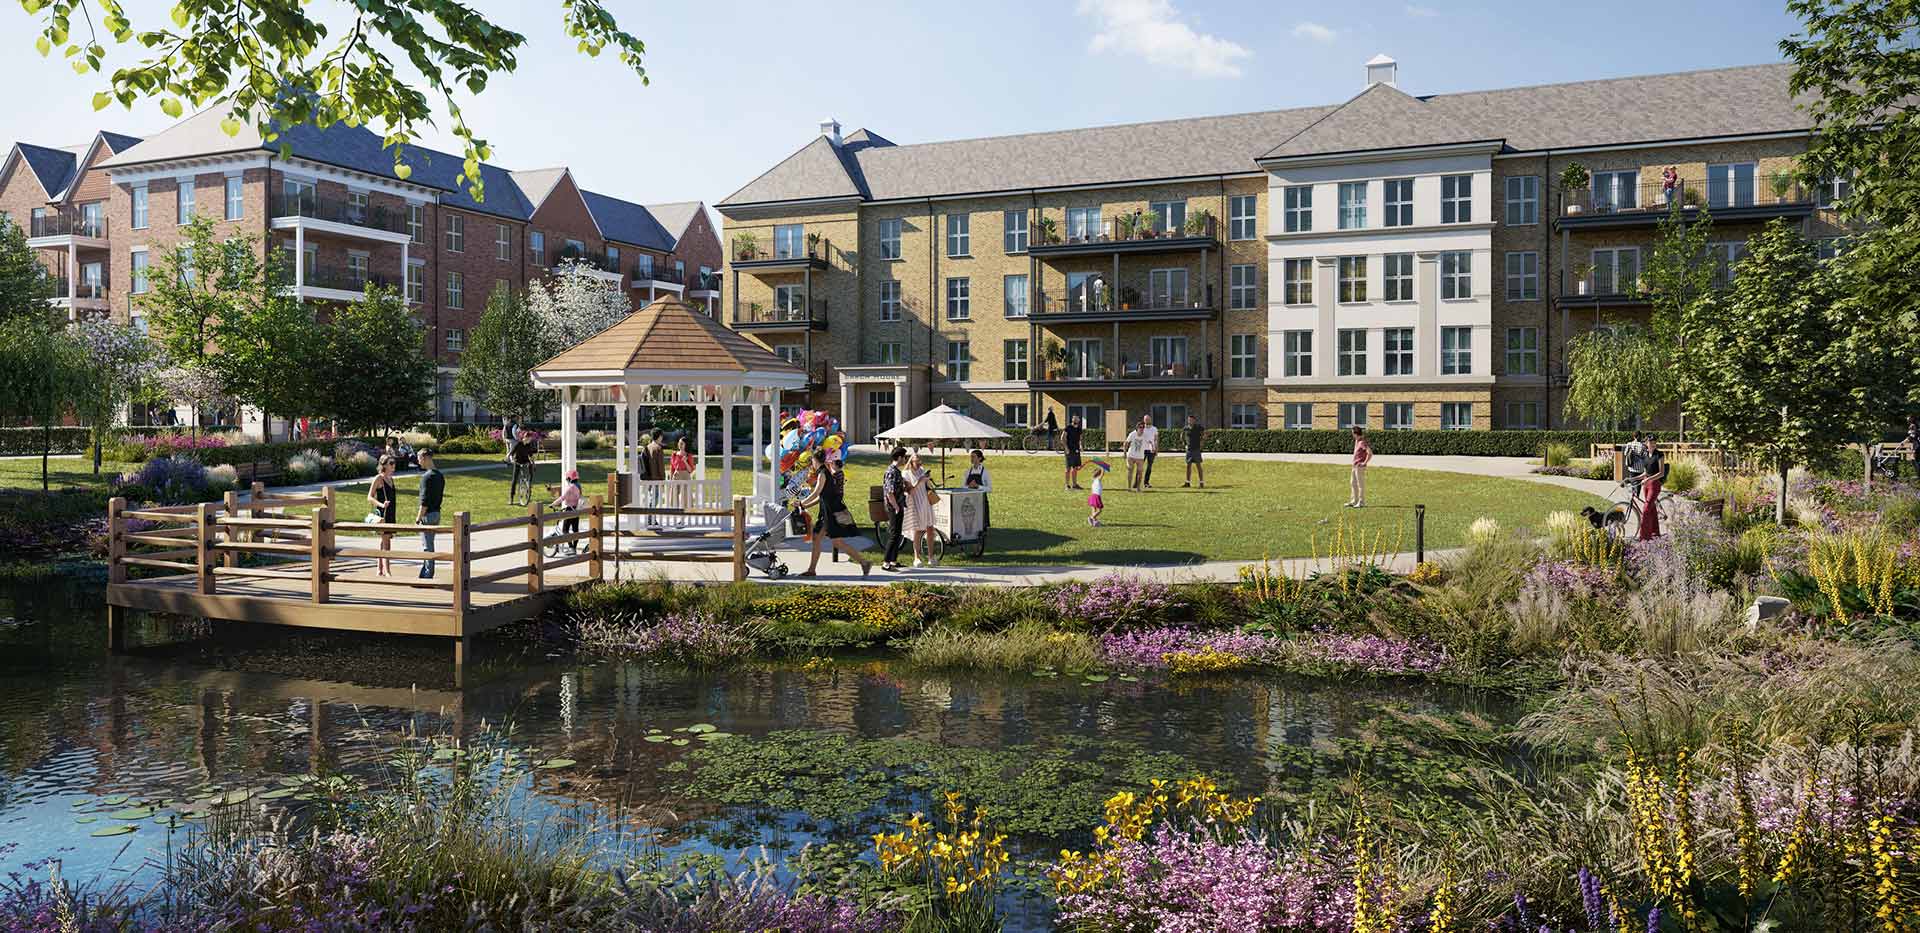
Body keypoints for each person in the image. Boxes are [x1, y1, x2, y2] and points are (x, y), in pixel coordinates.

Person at [799, 453, 874, 577]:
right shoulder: (825, 473)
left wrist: (802, 502)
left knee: (833, 541)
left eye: (811, 460)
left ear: (815, 460)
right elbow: (822, 497)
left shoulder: (823, 474)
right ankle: (812, 569)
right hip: (827, 512)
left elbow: (817, 492)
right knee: (822, 540)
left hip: (830, 513)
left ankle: (864, 562)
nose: (811, 462)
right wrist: (805, 505)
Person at [901, 452, 938, 567]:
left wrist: (928, 479)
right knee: (918, 530)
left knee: (930, 529)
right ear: (911, 462)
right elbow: (910, 490)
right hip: (915, 502)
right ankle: (916, 557)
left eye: (920, 461)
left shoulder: (922, 471)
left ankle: (931, 557)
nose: (918, 464)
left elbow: (928, 487)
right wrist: (920, 481)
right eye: (916, 461)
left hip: (926, 502)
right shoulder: (905, 474)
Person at [367, 455, 399, 576]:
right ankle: (388, 571)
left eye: (394, 463)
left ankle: (379, 569)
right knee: (387, 543)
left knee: (384, 540)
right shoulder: (379, 478)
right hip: (383, 515)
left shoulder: (391, 479)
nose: (393, 465)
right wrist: (381, 504)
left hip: (391, 513)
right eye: (391, 463)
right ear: (384, 465)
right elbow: (369, 497)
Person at [415, 450, 444, 579]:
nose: (418, 461)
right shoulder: (439, 475)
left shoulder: (427, 477)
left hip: (427, 515)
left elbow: (424, 501)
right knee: (429, 544)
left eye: (419, 458)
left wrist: (418, 517)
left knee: (427, 547)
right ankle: (424, 572)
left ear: (426, 458)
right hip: (437, 513)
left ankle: (428, 574)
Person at [881, 446, 909, 572]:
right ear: (899, 457)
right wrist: (896, 507)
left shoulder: (896, 471)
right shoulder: (891, 472)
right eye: (904, 457)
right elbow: (889, 492)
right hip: (894, 507)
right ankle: (886, 562)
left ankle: (893, 560)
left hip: (898, 505)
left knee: (898, 534)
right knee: (894, 534)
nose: (905, 460)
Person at [1638, 438, 1668, 540]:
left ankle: (1644, 537)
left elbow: (1661, 473)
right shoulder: (1645, 455)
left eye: (1654, 443)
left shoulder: (1659, 455)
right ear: (1646, 444)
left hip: (1654, 485)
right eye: (1651, 443)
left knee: (1646, 510)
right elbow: (1646, 473)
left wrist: (1648, 479)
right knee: (1652, 510)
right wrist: (1632, 478)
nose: (1653, 444)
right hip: (1646, 485)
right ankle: (1655, 534)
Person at [548, 469, 584, 556]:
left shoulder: (570, 487)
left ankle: (571, 548)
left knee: (565, 530)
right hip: (576, 510)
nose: (567, 480)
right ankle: (574, 549)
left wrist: (552, 504)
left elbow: (562, 498)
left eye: (567, 478)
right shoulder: (578, 486)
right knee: (575, 530)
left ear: (569, 478)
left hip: (569, 510)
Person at [963, 448, 991, 530]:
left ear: (979, 458)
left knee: (981, 522)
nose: (971, 459)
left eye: (973, 457)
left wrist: (978, 486)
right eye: (971, 457)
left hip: (981, 500)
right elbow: (962, 486)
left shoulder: (985, 472)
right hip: (969, 500)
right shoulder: (967, 472)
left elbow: (989, 489)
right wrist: (969, 487)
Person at [508, 430, 536, 505]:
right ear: (525, 438)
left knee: (530, 471)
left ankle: (529, 487)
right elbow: (511, 453)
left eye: (530, 440)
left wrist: (533, 463)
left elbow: (531, 455)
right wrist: (511, 459)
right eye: (529, 439)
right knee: (514, 480)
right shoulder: (519, 444)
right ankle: (511, 497)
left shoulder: (528, 446)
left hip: (525, 462)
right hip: (517, 462)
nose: (530, 441)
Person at [1347, 426, 1372, 508]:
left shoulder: (1362, 442)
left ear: (1355, 433)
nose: (1351, 435)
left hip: (1359, 467)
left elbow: (1370, 453)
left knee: (1360, 484)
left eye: (1352, 433)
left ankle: (1361, 502)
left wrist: (1364, 462)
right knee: (1353, 483)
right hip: (1354, 466)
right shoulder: (1357, 441)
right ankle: (1354, 500)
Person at [1123, 419, 1148, 491]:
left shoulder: (1145, 435)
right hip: (1131, 455)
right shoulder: (1132, 434)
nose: (1142, 429)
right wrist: (1125, 453)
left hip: (1140, 456)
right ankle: (1129, 487)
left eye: (1143, 427)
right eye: (1140, 427)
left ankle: (1138, 488)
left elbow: (1150, 441)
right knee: (1130, 470)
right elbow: (1126, 443)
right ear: (1137, 428)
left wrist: (1153, 447)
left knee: (1140, 472)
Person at [1182, 414, 1205, 488]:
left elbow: (1205, 434)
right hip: (1189, 450)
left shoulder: (1198, 427)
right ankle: (1187, 483)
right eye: (1189, 420)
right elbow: (1182, 436)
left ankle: (1201, 483)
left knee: (1198, 465)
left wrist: (1202, 441)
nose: (1190, 421)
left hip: (1196, 449)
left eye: (1191, 420)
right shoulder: (1185, 428)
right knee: (1188, 466)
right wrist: (1185, 444)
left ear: (1194, 420)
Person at [1086, 459, 1109, 526]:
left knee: (1094, 509)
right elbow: (1102, 473)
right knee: (1099, 510)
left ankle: (1094, 521)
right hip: (1096, 496)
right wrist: (1103, 467)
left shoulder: (1094, 480)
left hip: (1092, 496)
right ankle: (1091, 517)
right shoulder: (1098, 479)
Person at [1063, 415, 1084, 490]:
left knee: (1075, 468)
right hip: (1069, 450)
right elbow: (1062, 438)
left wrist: (1081, 446)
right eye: (1074, 418)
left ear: (1079, 420)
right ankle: (1066, 485)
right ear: (1072, 419)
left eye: (1077, 418)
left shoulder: (1079, 429)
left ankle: (1074, 485)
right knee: (1068, 468)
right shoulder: (1068, 428)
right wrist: (1066, 448)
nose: (1076, 419)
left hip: (1076, 450)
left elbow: (1080, 439)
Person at [1140, 415, 1160, 488]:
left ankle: (1146, 483)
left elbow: (1156, 439)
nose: (1147, 421)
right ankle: (1136, 482)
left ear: (1150, 420)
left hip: (1152, 450)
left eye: (1148, 419)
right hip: (1142, 450)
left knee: (1149, 467)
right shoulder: (1141, 428)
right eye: (1146, 419)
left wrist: (1156, 449)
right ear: (1144, 420)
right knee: (1140, 467)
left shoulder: (1154, 429)